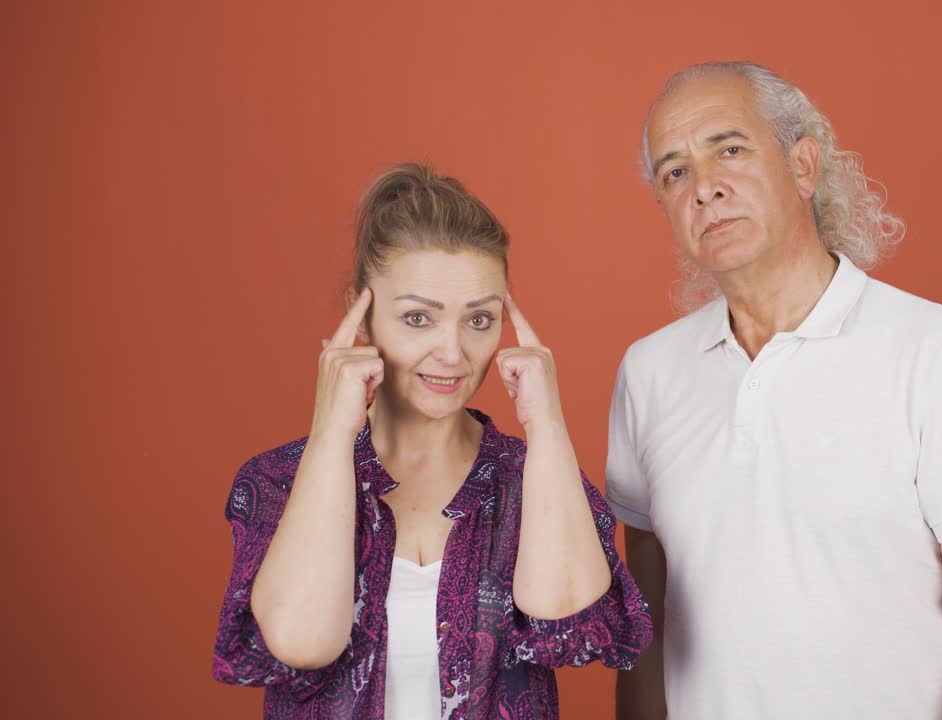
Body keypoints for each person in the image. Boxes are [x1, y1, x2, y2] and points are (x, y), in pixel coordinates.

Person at [609, 62, 942, 720]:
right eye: (675, 172)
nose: (704, 188)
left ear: (803, 166)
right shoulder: (649, 372)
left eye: (729, 150)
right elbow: (646, 628)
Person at [213, 163, 652, 719]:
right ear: (362, 317)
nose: (452, 353)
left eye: (479, 320)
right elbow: (302, 642)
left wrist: (547, 423)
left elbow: (562, 612)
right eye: (418, 318)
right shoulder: (277, 480)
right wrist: (330, 432)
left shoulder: (531, 477)